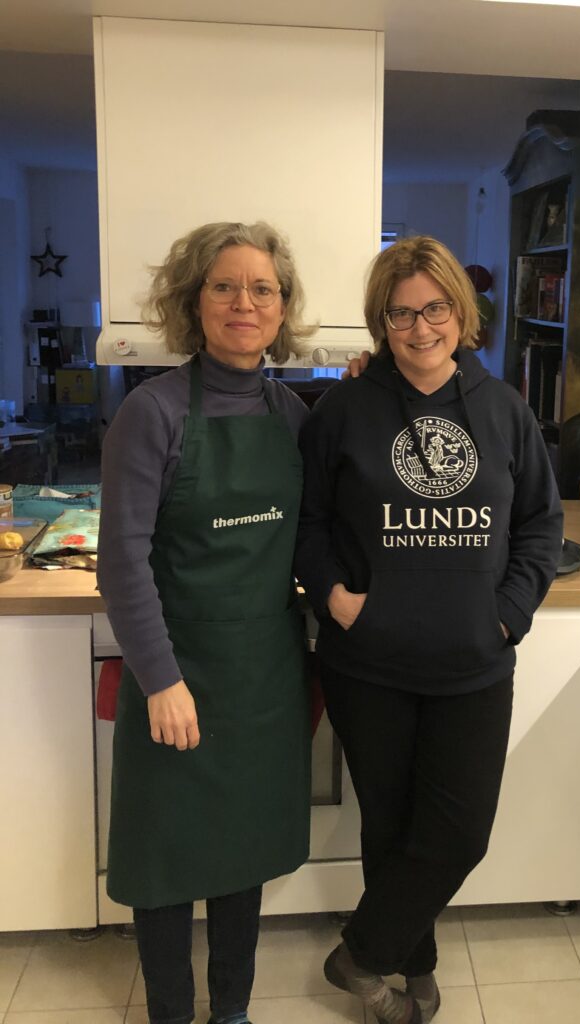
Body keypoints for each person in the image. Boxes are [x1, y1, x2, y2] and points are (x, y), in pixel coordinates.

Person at [295, 236, 564, 1024]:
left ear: (459, 310)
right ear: (380, 321)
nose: (420, 328)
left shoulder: (504, 408)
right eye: (400, 313)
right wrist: (335, 596)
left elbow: (540, 524)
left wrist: (508, 613)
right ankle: (411, 970)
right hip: (367, 662)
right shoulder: (343, 409)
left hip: (472, 663)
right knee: (390, 825)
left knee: (458, 833)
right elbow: (307, 523)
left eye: (434, 308)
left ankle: (358, 956)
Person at [98, 221, 315, 1024]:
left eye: (262, 289)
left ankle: (231, 1011)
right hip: (176, 670)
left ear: (281, 307)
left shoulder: (293, 414)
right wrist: (160, 679)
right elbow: (122, 562)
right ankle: (170, 1013)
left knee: (240, 852)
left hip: (263, 676)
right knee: (164, 858)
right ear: (195, 302)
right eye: (224, 286)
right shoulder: (151, 413)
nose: (243, 303)